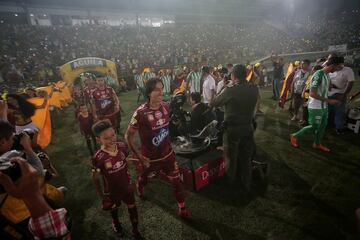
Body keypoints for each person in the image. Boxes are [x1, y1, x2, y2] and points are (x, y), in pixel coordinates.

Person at [125, 78, 191, 218]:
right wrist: (139, 156)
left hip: (167, 155)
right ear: (149, 92)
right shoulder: (140, 113)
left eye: (162, 89)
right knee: (145, 178)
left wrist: (178, 124)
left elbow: (168, 125)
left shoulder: (166, 106)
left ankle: (182, 208)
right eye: (157, 90)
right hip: (149, 159)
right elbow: (128, 136)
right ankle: (140, 185)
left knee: (176, 181)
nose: (161, 93)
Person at [91, 120, 143, 239]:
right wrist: (102, 196)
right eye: (106, 138)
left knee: (133, 208)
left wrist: (131, 160)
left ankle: (135, 230)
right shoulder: (98, 158)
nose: (111, 139)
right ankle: (116, 222)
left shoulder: (122, 146)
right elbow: (95, 178)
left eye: (113, 135)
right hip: (112, 191)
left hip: (127, 187)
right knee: (114, 209)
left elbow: (125, 160)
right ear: (99, 139)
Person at [211, 64, 258, 190]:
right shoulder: (254, 88)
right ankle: (247, 182)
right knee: (246, 157)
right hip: (248, 127)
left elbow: (214, 102)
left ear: (233, 76)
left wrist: (225, 87)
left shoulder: (230, 90)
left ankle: (230, 184)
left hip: (233, 130)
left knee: (230, 159)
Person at [0, 157, 71, 240]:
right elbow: (56, 232)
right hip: (43, 205)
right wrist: (30, 195)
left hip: (17, 219)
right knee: (63, 190)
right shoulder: (40, 176)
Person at [290, 55, 343, 152]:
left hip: (324, 106)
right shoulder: (318, 74)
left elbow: (326, 88)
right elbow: (312, 93)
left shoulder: (327, 75)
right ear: (333, 65)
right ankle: (294, 136)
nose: (339, 69)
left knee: (323, 126)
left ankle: (317, 144)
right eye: (339, 66)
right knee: (314, 126)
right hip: (315, 106)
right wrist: (329, 101)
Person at [328, 57, 355, 134]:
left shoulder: (348, 70)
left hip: (340, 93)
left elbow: (350, 82)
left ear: (340, 64)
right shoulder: (331, 69)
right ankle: (328, 124)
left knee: (339, 111)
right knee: (327, 110)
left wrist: (344, 94)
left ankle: (339, 128)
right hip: (328, 93)